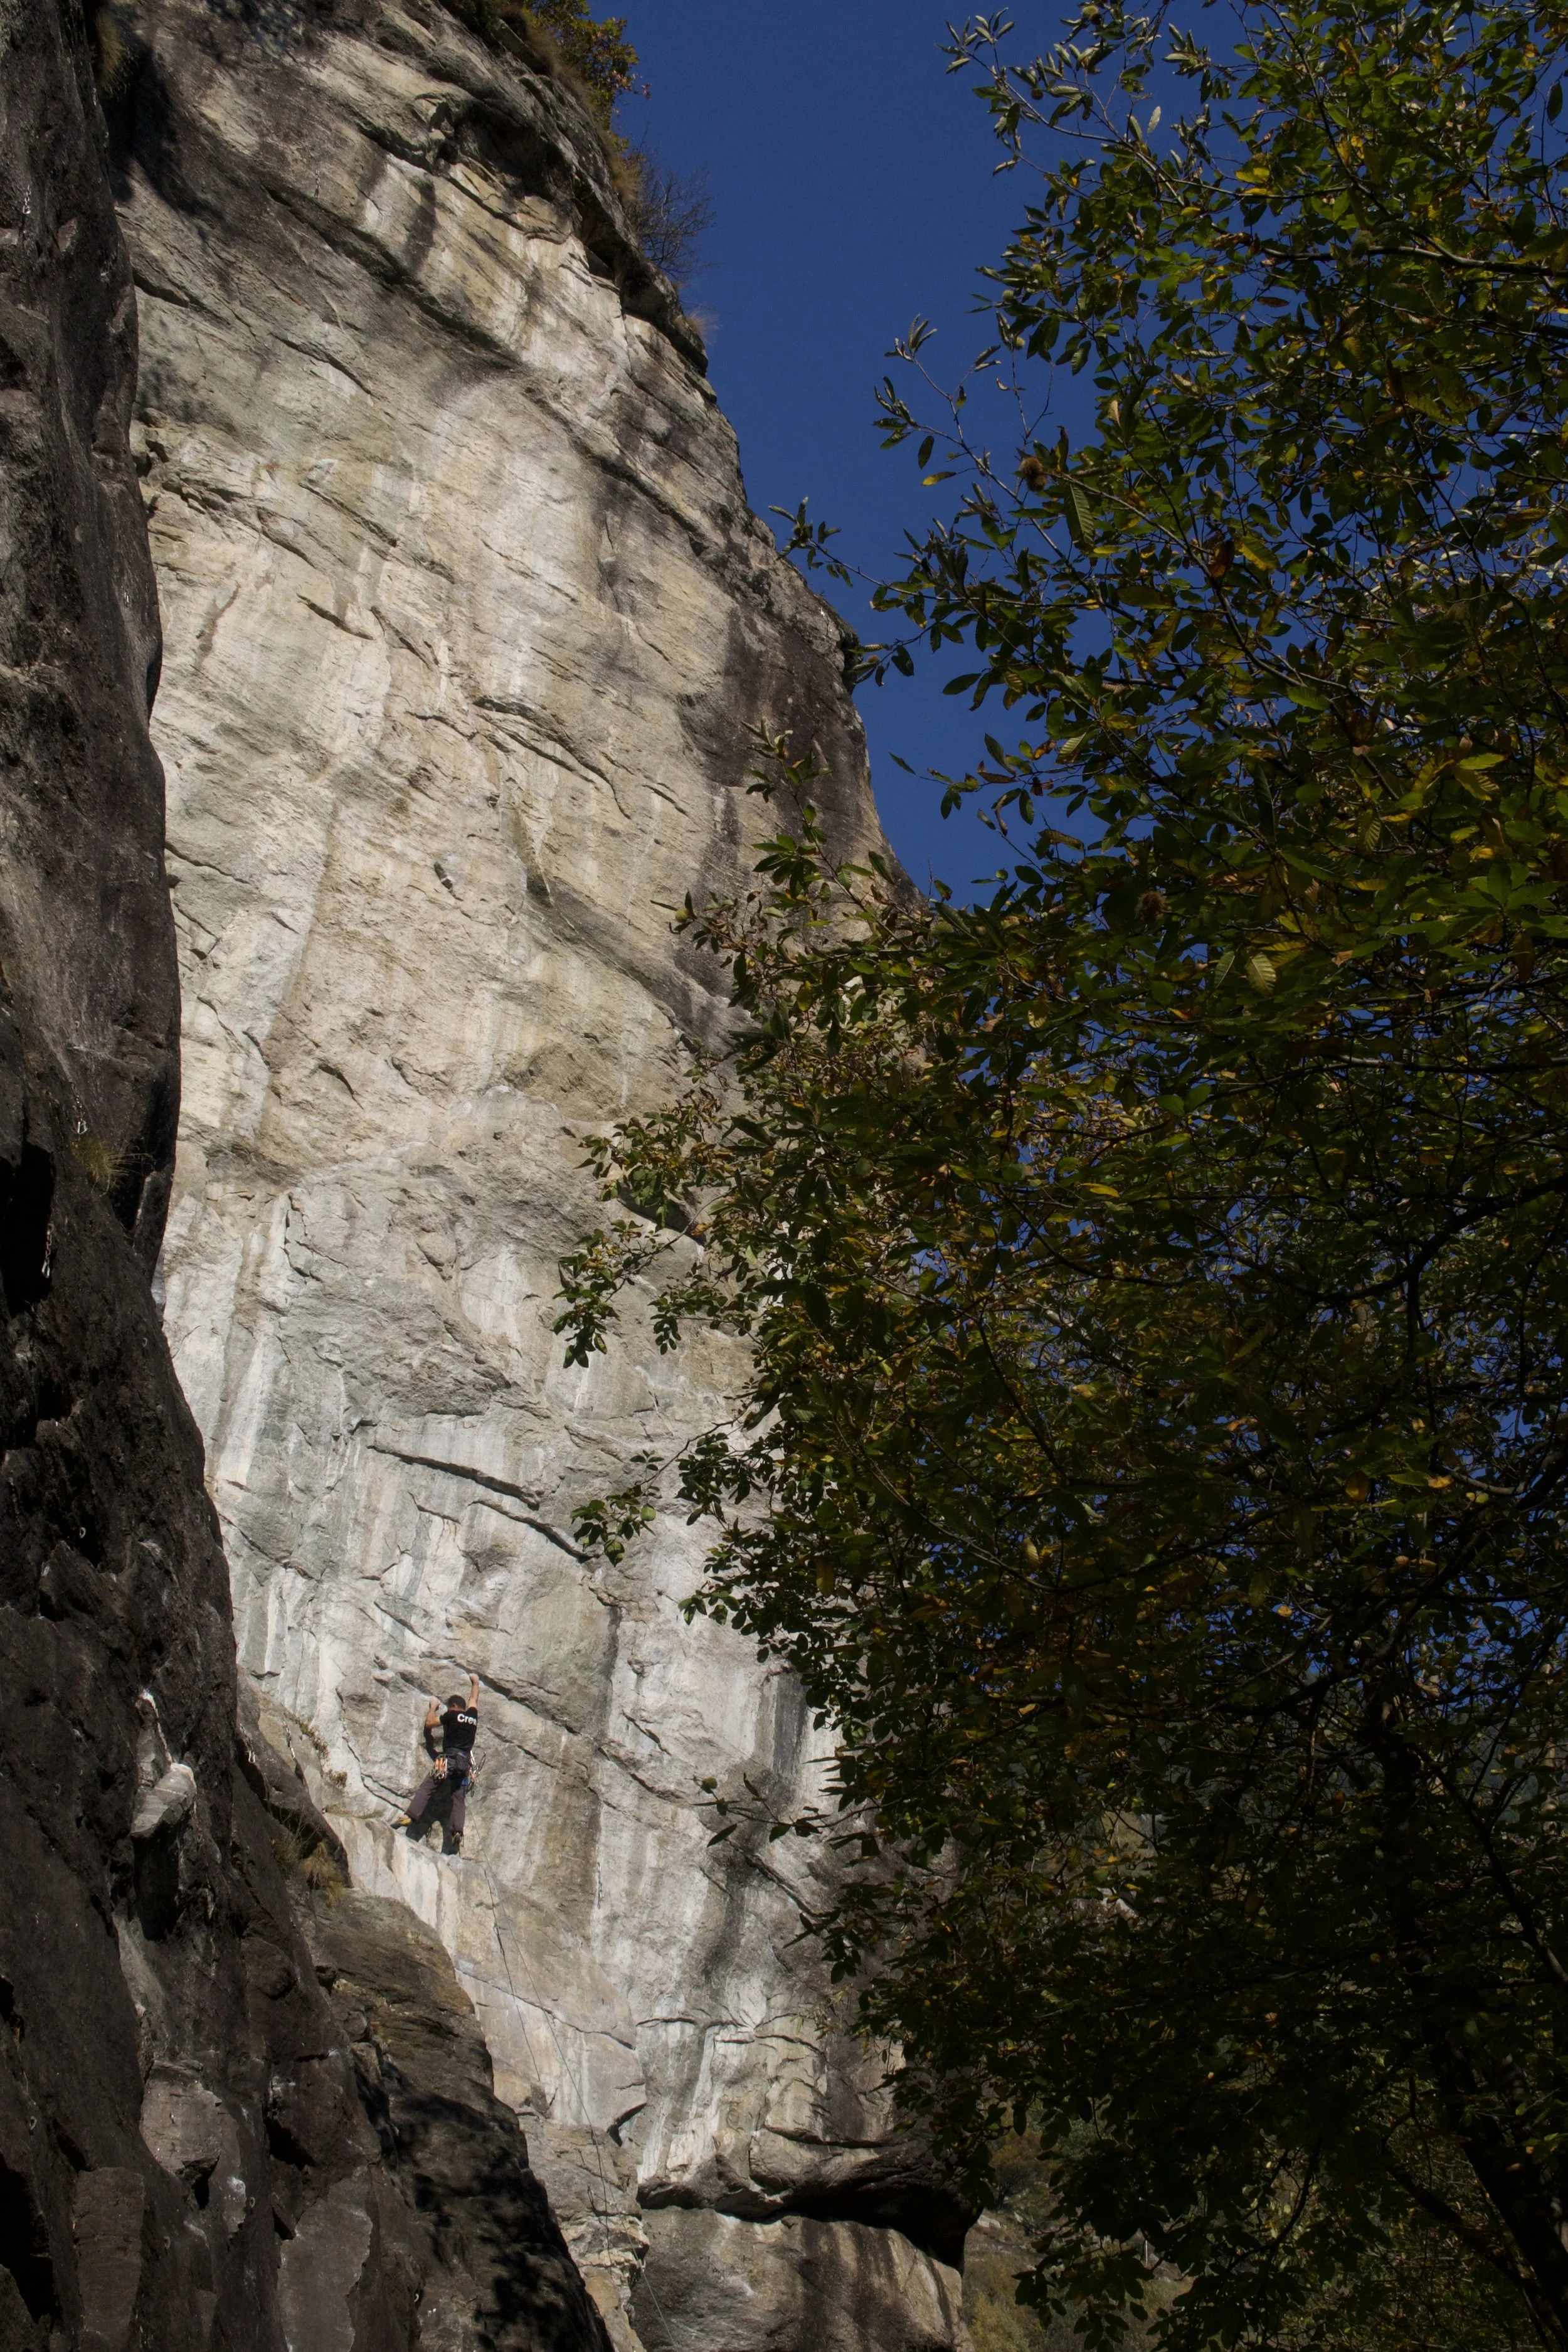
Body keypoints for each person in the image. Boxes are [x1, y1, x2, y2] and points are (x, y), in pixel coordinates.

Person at [393, 1670, 479, 1854]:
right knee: (459, 1799)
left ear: (454, 1706)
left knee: (428, 1787)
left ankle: (410, 1816)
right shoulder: (472, 1717)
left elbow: (430, 1723)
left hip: (447, 1762)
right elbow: (474, 1698)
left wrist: (433, 1706)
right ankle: (457, 1831)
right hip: (464, 1767)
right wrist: (475, 1681)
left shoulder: (451, 1715)